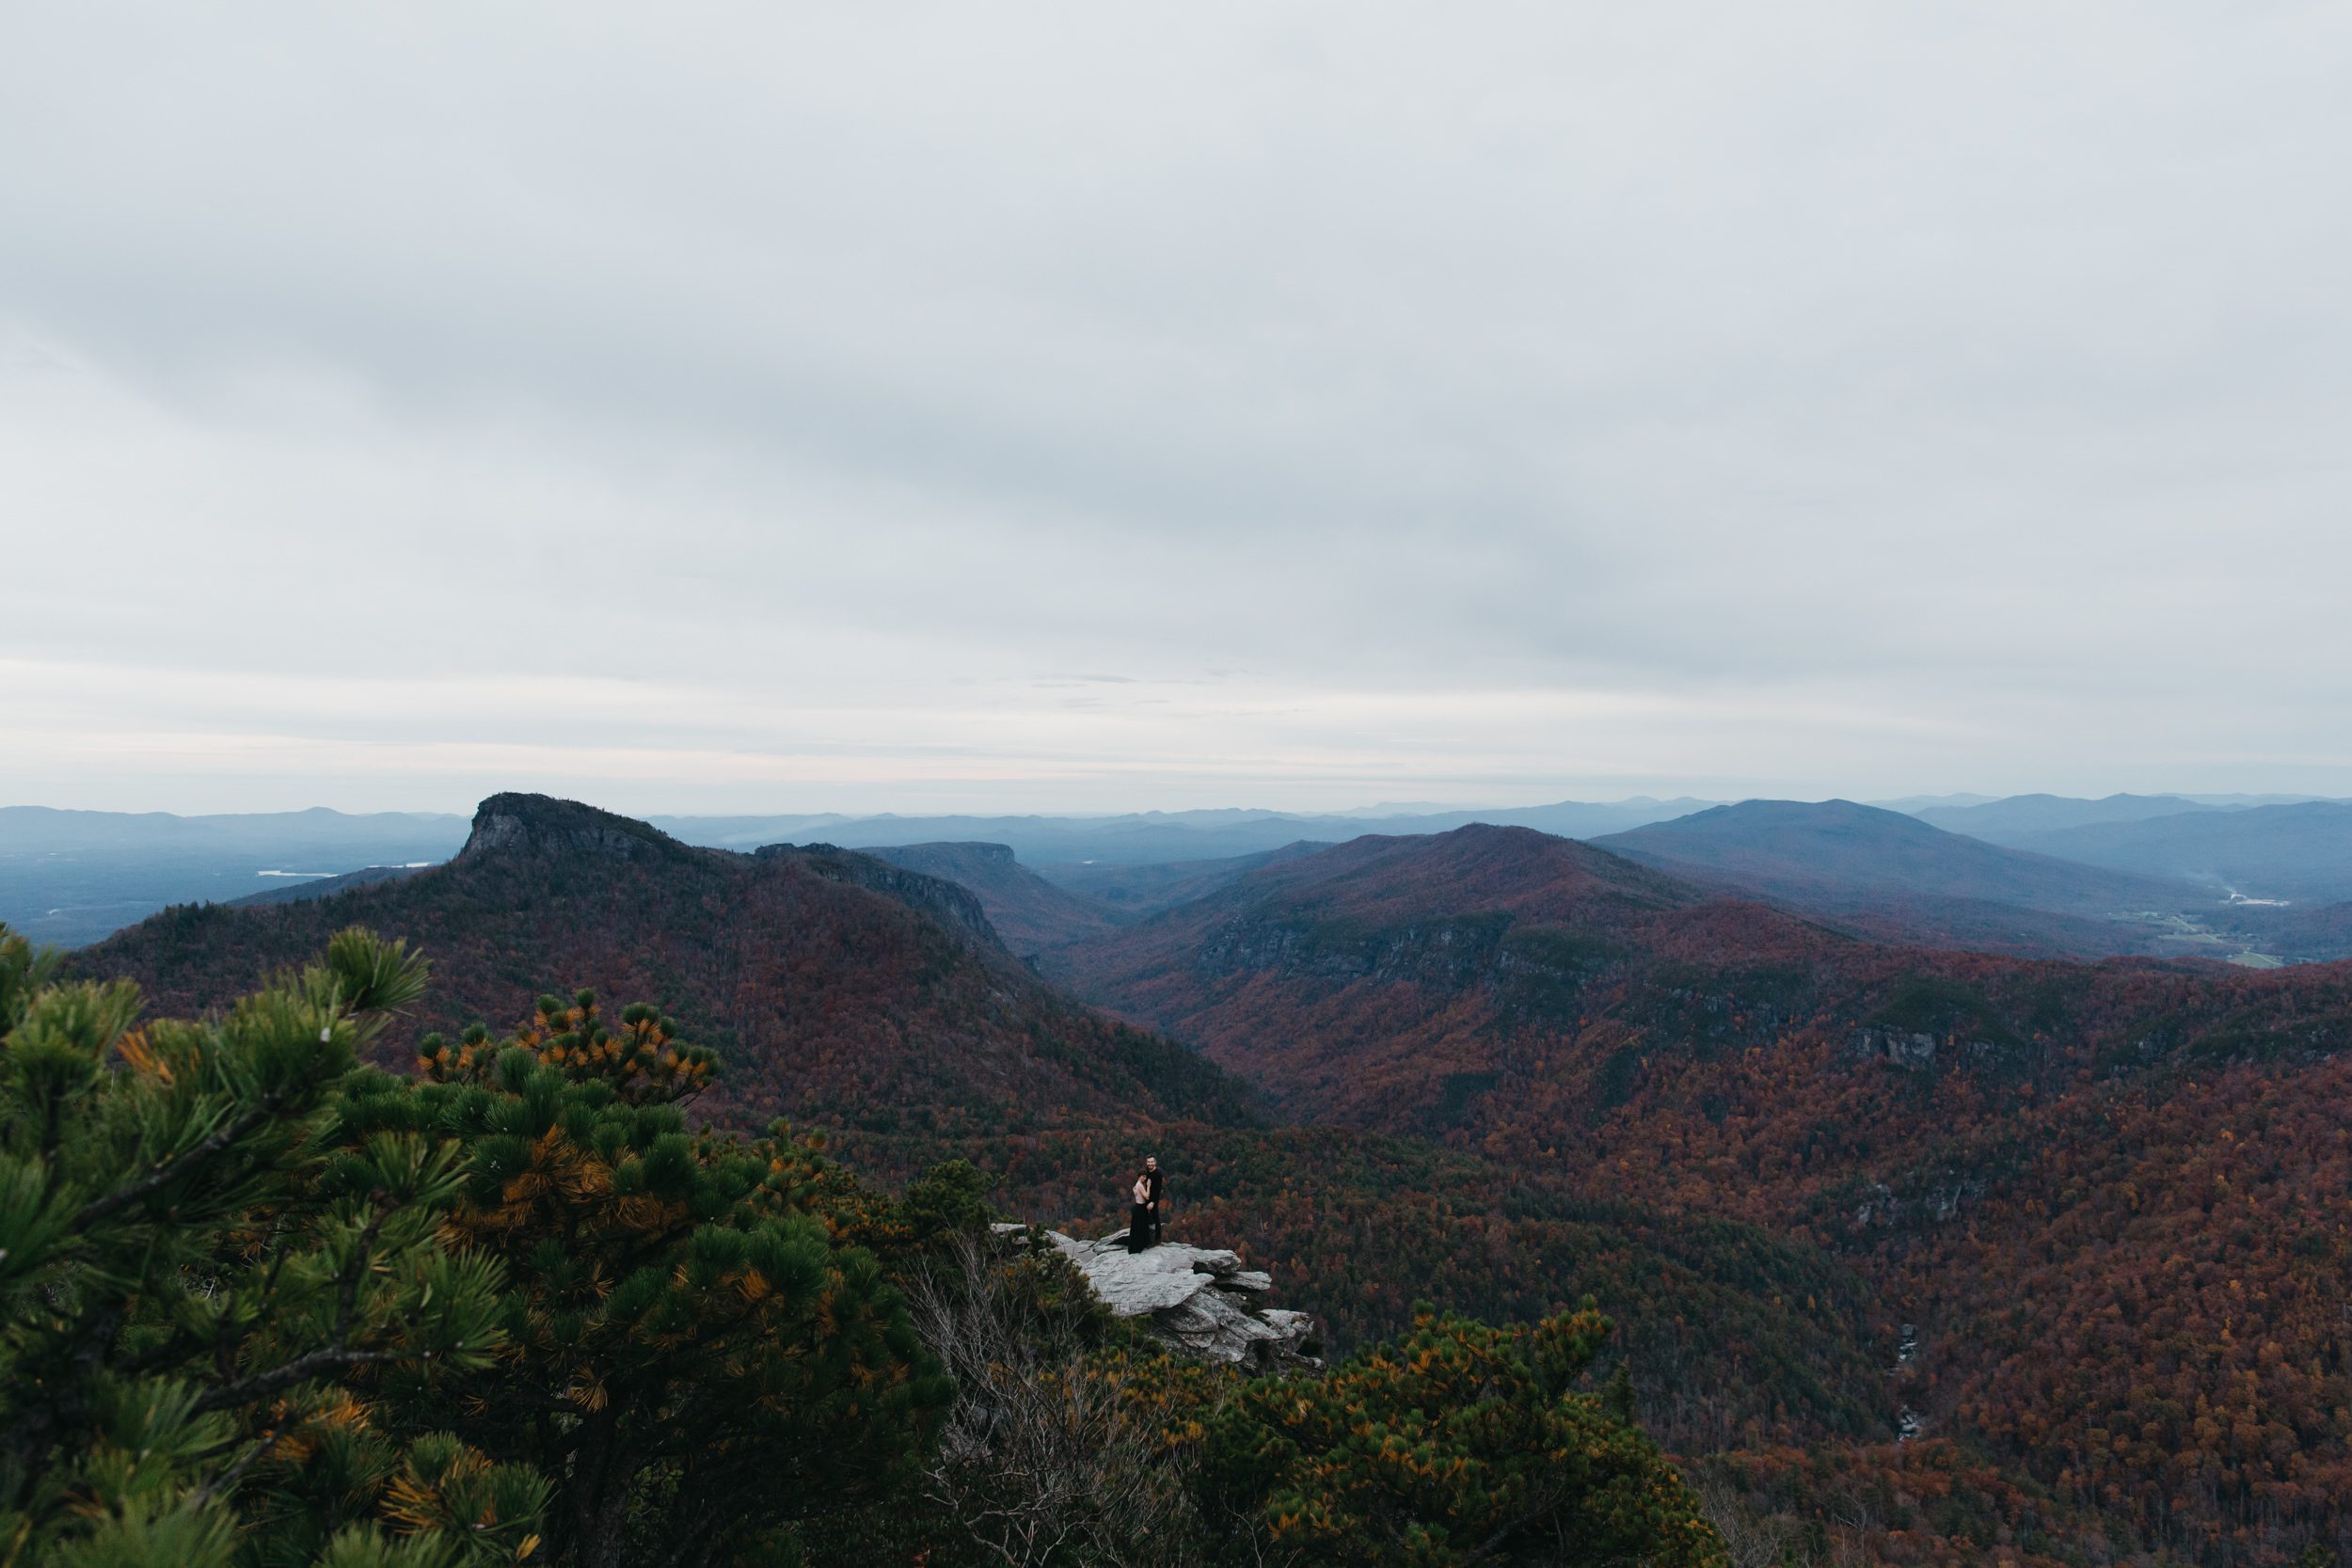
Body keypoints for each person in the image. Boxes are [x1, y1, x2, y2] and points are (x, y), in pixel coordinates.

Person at [1126, 1169, 1152, 1253]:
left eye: (1145, 1177)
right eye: (1142, 1176)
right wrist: (1148, 1186)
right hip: (1141, 1209)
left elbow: (1136, 1192)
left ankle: (1140, 1245)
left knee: (1139, 1228)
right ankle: (1140, 1246)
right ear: (1139, 1177)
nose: (1144, 1178)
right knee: (1141, 1228)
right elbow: (1147, 1197)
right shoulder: (1140, 1185)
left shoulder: (1138, 1185)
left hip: (1139, 1207)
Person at [1143, 1156, 1165, 1245]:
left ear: (1155, 1163)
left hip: (1153, 1199)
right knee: (1143, 1215)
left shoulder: (1158, 1174)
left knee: (1156, 1219)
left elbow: (1158, 1190)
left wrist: (1153, 1202)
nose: (1150, 1164)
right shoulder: (1147, 1171)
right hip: (1147, 1196)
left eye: (1152, 1162)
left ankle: (1157, 1239)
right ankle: (1147, 1238)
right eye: (1148, 1162)